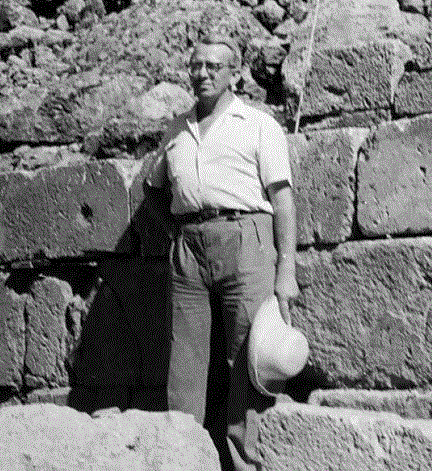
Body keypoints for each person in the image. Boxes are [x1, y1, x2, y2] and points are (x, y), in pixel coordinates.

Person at [144, 33, 299, 470]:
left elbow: (283, 199)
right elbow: (152, 188)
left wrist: (286, 270)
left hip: (245, 237)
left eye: (213, 66)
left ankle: (244, 461)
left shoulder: (259, 124)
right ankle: (184, 459)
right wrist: (175, 232)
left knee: (248, 357)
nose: (202, 74)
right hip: (189, 246)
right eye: (196, 65)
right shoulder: (177, 129)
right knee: (184, 359)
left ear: (234, 74)